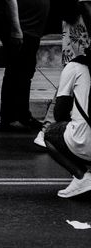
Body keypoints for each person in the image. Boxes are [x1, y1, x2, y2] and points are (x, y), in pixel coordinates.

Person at [35, 0, 91, 147]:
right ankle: (47, 129)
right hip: (81, 19)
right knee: (76, 73)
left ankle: (48, 128)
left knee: (75, 75)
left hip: (79, 17)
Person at [0, 0, 50, 131]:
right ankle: (10, 119)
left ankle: (23, 116)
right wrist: (16, 29)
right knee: (15, 72)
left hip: (31, 29)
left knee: (25, 73)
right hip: (22, 28)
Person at [44, 50, 91, 198]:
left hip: (83, 143)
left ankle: (82, 177)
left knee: (50, 133)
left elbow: (59, 113)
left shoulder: (75, 67)